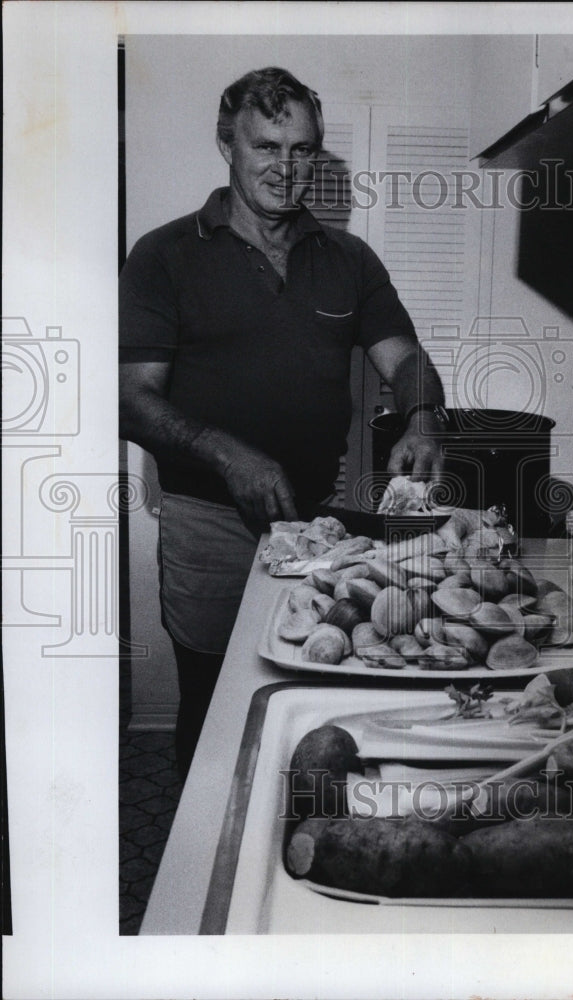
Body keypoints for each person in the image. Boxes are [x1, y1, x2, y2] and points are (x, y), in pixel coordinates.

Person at [119, 67, 445, 778]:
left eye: (302, 150)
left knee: (305, 690)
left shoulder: (349, 258)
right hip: (206, 521)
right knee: (212, 702)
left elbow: (407, 359)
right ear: (226, 144)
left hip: (315, 520)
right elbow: (129, 399)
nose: (285, 168)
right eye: (266, 146)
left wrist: (422, 417)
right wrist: (226, 453)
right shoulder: (163, 254)